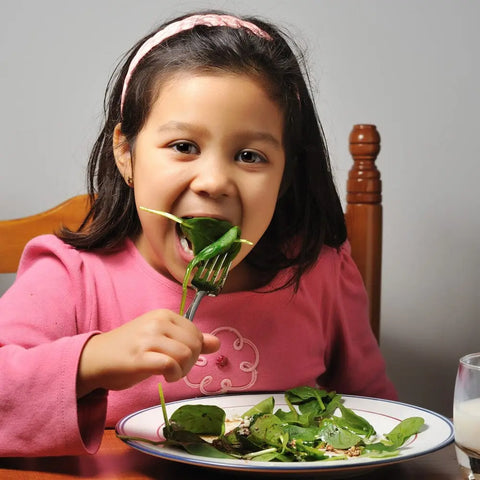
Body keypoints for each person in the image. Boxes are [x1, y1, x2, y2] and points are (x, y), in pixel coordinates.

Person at [0, 11, 396, 457]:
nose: (213, 181)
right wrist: (91, 362)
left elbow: (378, 421)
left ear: (285, 176)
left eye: (249, 155)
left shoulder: (320, 274)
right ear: (126, 155)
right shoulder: (71, 278)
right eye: (184, 147)